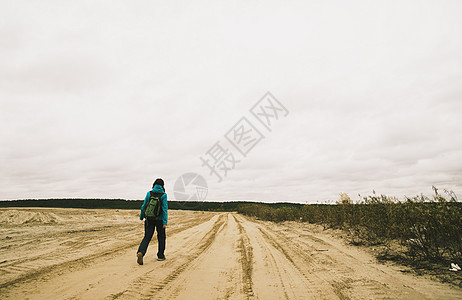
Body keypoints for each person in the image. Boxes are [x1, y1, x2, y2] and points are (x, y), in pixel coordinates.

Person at [137, 178, 168, 265]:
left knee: (147, 237)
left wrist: (141, 216)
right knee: (161, 237)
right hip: (160, 220)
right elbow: (164, 209)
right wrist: (165, 222)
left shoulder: (149, 193)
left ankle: (141, 252)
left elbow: (144, 206)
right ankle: (160, 256)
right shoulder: (163, 195)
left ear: (154, 185)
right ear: (162, 186)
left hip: (149, 219)